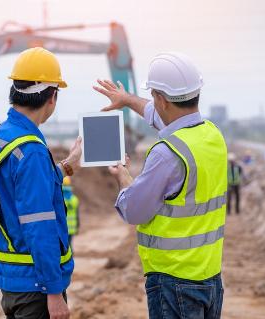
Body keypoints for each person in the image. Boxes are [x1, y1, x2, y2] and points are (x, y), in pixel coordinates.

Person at [94, 52, 226, 319]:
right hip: (210, 278)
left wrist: (123, 177)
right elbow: (161, 116)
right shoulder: (213, 136)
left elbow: (134, 211)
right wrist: (128, 100)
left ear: (162, 99)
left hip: (174, 282)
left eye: (154, 96)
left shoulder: (167, 153)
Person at [0, 47, 83, 319]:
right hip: (37, 288)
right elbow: (39, 223)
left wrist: (66, 166)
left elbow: (19, 191)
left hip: (12, 280)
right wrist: (54, 292)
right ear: (53, 97)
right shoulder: (32, 149)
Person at [62, 176, 80, 247]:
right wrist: (77, 226)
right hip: (72, 228)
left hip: (62, 227)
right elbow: (77, 215)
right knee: (69, 245)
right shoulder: (75, 199)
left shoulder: (60, 199)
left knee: (63, 247)